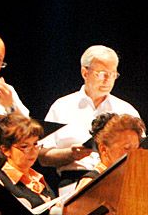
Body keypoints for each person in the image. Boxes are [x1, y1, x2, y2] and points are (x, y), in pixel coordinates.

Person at [39, 45, 140, 186]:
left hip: (119, 180)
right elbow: (43, 156)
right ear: (85, 72)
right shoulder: (62, 106)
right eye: (101, 74)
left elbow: (141, 153)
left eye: (112, 74)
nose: (107, 80)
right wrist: (70, 154)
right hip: (73, 181)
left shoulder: (126, 110)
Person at [74, 113, 145, 192]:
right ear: (103, 149)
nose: (134, 154)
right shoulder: (90, 184)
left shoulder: (134, 181)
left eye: (136, 148)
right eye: (127, 148)